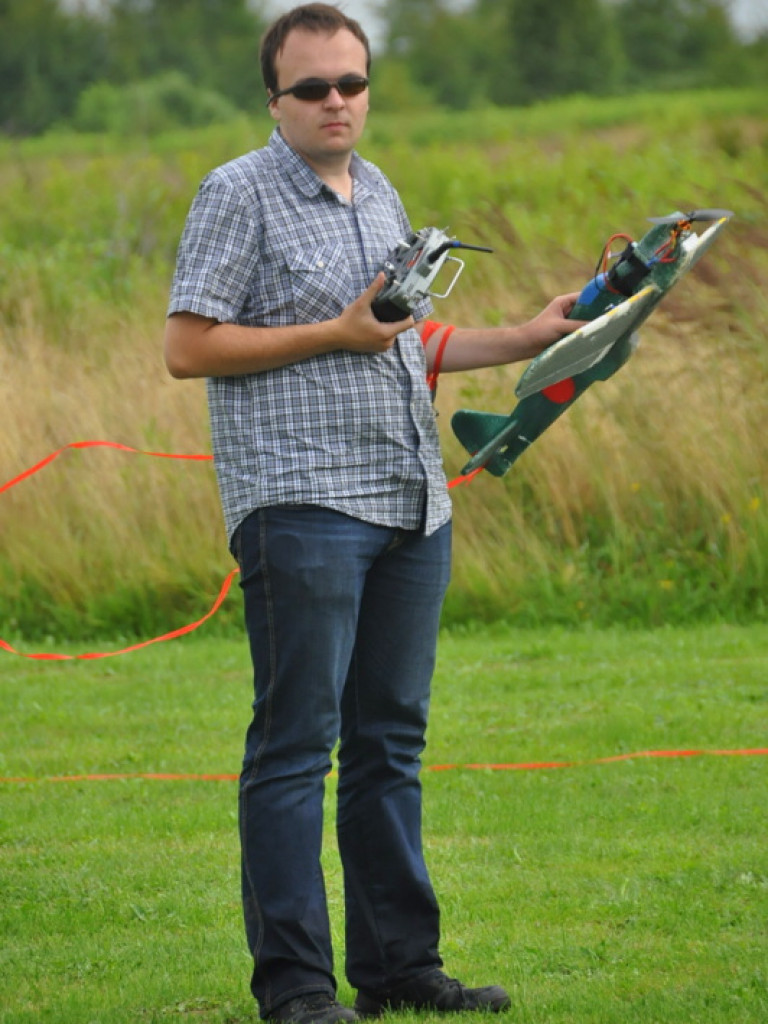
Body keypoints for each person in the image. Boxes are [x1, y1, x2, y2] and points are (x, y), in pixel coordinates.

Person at [165, 5, 582, 1022]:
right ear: (275, 99)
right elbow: (188, 346)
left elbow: (403, 337)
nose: (337, 102)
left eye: (352, 83)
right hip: (302, 502)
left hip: (409, 501)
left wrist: (527, 335)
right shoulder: (237, 193)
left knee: (390, 741)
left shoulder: (380, 188)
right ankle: (299, 991)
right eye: (314, 89)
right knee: (297, 744)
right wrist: (333, 334)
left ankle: (401, 969)